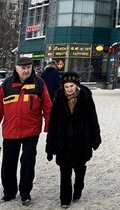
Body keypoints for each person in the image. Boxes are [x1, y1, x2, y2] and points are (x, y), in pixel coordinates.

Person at [0, 57, 52, 205]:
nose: (26, 70)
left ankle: (25, 193)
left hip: (31, 131)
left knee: (28, 164)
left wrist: (49, 127)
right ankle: (9, 192)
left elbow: (48, 107)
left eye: (29, 67)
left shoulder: (39, 83)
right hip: (10, 130)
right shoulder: (6, 84)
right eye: (23, 68)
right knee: (8, 164)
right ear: (16, 68)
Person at [46, 72, 102, 208]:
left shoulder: (86, 99)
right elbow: (53, 124)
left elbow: (93, 119)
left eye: (71, 86)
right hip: (63, 142)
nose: (69, 89)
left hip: (81, 141)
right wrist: (50, 146)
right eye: (66, 86)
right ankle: (65, 199)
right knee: (64, 172)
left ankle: (78, 189)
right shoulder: (58, 100)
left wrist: (95, 138)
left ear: (76, 85)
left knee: (79, 169)